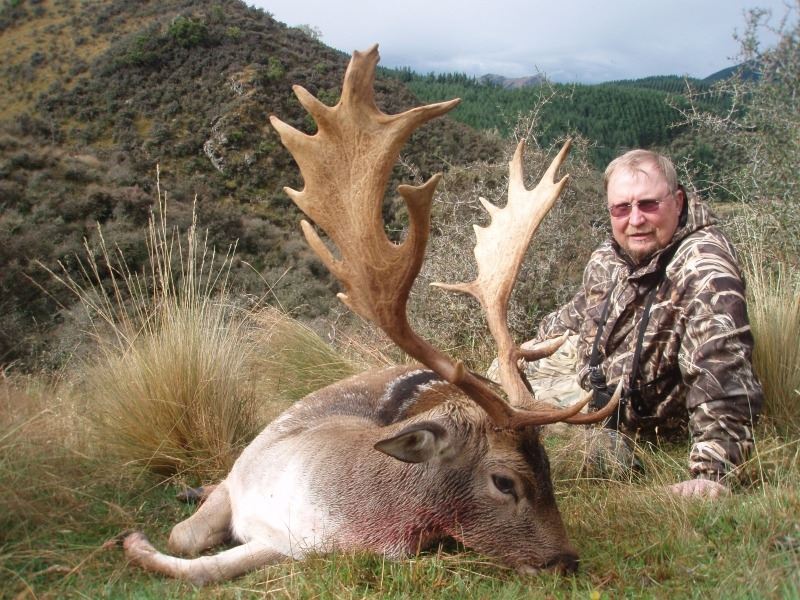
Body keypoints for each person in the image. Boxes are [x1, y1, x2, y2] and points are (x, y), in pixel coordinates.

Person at [514, 149, 763, 500]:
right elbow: (578, 312)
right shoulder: (611, 255)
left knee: (516, 413)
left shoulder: (705, 269)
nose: (635, 219)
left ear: (678, 201)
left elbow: (722, 370)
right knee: (501, 374)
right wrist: (524, 350)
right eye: (621, 208)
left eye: (648, 204)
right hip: (592, 383)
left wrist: (713, 472)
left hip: (641, 420)